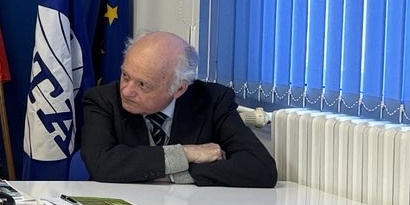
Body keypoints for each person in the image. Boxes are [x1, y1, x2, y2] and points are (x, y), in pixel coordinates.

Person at [81, 30, 277, 187]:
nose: (126, 91)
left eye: (142, 85)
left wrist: (174, 175)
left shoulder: (214, 100)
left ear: (179, 89)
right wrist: (185, 154)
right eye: (125, 76)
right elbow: (101, 164)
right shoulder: (103, 100)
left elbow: (261, 170)